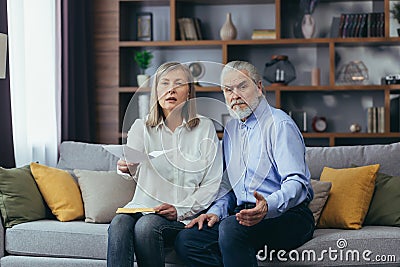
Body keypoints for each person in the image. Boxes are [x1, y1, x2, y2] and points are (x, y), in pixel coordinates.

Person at [175, 61, 315, 267]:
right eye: (228, 90)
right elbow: (228, 186)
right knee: (187, 240)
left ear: (258, 88)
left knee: (231, 228)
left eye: (242, 86)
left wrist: (267, 207)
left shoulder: (279, 124)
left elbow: (297, 183)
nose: (235, 95)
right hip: (244, 214)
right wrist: (215, 211)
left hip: (288, 215)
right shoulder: (231, 130)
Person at [107, 62, 223, 267]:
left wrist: (179, 210)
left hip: (182, 216)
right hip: (142, 207)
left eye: (179, 83)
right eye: (165, 83)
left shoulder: (204, 128)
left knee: (146, 226)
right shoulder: (140, 127)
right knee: (118, 223)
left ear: (188, 92)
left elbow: (212, 184)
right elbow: (130, 166)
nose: (171, 89)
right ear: (156, 92)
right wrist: (124, 167)